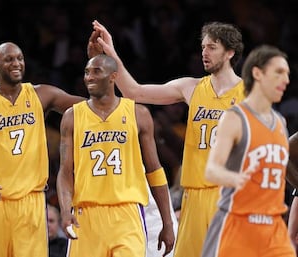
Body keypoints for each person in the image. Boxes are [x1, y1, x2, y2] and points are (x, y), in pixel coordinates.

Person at [90, 20, 245, 257]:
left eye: (212, 47)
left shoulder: (248, 95)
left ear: (230, 52)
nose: (204, 52)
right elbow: (134, 92)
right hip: (193, 195)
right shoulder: (190, 87)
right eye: (203, 47)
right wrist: (111, 52)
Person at [0, 42, 84, 257]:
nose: (16, 63)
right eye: (9, 59)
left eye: (20, 58)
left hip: (32, 201)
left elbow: (90, 109)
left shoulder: (41, 94)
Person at [56, 54, 175, 257]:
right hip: (87, 214)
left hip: (127, 214)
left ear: (113, 77)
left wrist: (167, 222)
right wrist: (65, 210)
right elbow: (66, 172)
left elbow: (154, 171)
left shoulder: (138, 114)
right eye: (86, 72)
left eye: (96, 71)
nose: (89, 77)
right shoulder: (72, 117)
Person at [201, 45, 294, 256]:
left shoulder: (281, 122)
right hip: (238, 225)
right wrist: (235, 179)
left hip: (273, 228)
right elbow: (211, 171)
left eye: (288, 74)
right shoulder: (234, 118)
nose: (286, 80)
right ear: (257, 73)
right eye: (279, 72)